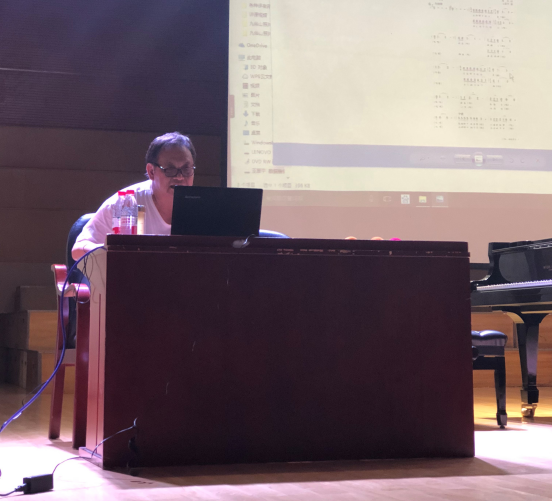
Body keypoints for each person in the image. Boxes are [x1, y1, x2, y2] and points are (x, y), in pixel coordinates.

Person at [72, 132, 196, 260]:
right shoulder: (126, 202)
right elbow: (77, 250)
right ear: (151, 172)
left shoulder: (202, 208)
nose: (180, 177)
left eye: (186, 169)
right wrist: (117, 250)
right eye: (170, 170)